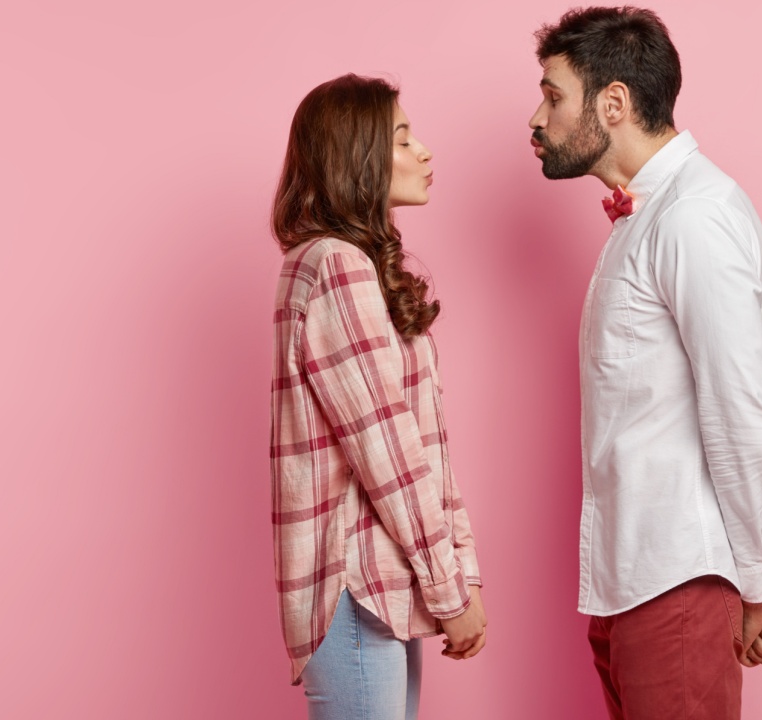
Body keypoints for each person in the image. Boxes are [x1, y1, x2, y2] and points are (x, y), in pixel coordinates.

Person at [528, 8, 762, 719]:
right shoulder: (646, 218)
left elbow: (743, 411)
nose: (537, 118)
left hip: (675, 582)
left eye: (553, 96)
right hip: (630, 582)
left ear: (612, 104)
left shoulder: (693, 217)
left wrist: (759, 580)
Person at [269, 74, 486, 720]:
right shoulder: (335, 265)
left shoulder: (335, 262)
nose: (423, 151)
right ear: (355, 155)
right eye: (401, 137)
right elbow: (388, 453)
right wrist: (452, 591)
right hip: (358, 586)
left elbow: (424, 447)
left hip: (377, 589)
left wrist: (457, 571)